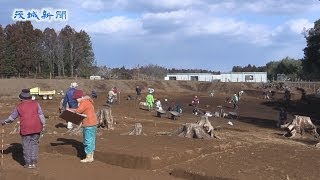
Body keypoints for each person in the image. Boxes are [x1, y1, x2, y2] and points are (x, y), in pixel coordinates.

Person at [0, 89, 46, 169]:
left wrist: (4, 122)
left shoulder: (19, 106)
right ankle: (33, 162)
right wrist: (44, 124)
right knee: (34, 145)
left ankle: (28, 164)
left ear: (21, 98)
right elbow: (41, 114)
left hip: (26, 129)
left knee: (26, 146)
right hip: (37, 127)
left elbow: (11, 118)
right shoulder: (36, 104)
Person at [68, 90, 97, 163]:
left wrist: (70, 110)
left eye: (76, 99)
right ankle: (91, 156)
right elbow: (79, 110)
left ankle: (88, 157)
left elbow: (78, 111)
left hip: (88, 123)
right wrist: (73, 110)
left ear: (80, 97)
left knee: (88, 140)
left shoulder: (84, 102)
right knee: (91, 140)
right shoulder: (87, 101)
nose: (76, 100)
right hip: (93, 123)